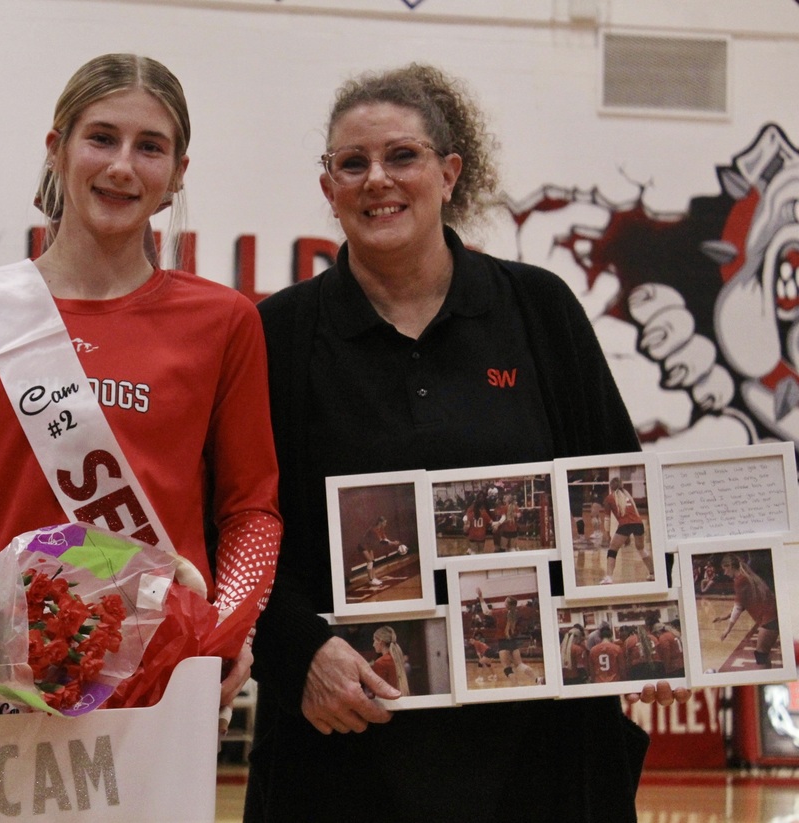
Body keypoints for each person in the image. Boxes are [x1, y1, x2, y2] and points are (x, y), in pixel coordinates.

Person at [246, 62, 687, 822]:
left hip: (540, 750)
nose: (377, 179)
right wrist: (298, 656)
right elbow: (240, 530)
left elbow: (617, 488)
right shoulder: (276, 333)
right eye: (352, 164)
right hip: (345, 740)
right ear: (329, 188)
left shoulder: (538, 308)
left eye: (402, 156)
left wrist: (647, 614)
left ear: (449, 172)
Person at [0, 54, 282, 713]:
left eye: (150, 147)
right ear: (56, 148)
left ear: (176, 174)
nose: (123, 165)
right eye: (101, 137)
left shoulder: (224, 321)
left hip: (154, 690)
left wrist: (222, 627)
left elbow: (251, 511)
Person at [715, 553, 779, 668]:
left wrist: (727, 630)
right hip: (771, 616)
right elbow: (743, 603)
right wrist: (726, 616)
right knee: (764, 655)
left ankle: (766, 680)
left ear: (730, 566)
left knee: (761, 655)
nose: (725, 573)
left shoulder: (740, 580)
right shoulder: (747, 577)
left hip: (769, 619)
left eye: (725, 569)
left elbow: (738, 607)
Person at [600, 476, 654, 584]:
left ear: (611, 487)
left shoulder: (609, 498)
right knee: (641, 549)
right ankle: (653, 573)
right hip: (639, 523)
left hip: (625, 525)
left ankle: (609, 577)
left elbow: (607, 519)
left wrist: (606, 533)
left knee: (612, 550)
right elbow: (632, 517)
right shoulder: (628, 496)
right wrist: (627, 536)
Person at [358, 515, 400, 586]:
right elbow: (382, 542)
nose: (386, 524)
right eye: (385, 522)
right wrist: (393, 543)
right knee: (370, 561)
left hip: (369, 546)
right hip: (363, 545)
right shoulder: (374, 530)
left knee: (372, 561)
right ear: (380, 522)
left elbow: (385, 539)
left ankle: (374, 578)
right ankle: (370, 580)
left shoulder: (381, 529)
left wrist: (392, 542)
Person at [370, 626, 410, 696]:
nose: (373, 644)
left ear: (380, 642)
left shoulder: (381, 663)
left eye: (374, 640)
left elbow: (378, 692)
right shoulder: (397, 658)